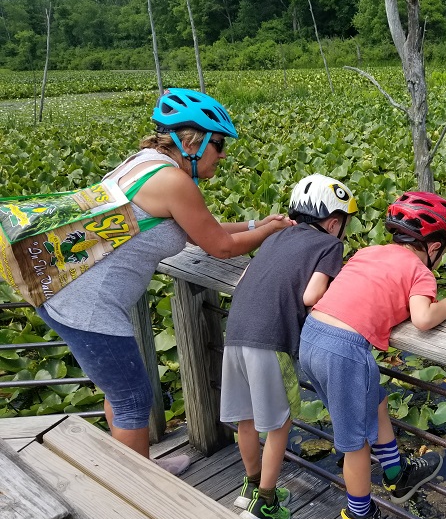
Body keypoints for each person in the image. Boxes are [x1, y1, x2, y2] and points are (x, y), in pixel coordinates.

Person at [35, 88, 292, 475]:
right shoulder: (174, 182)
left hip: (67, 291)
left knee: (121, 393)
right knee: (133, 400)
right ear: (192, 141)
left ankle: (143, 467)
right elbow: (220, 247)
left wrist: (259, 225)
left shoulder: (144, 162)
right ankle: (139, 494)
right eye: (218, 144)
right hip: (89, 306)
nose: (223, 155)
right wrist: (271, 234)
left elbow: (197, 230)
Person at [299, 191, 446, 519]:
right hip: (344, 350)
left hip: (312, 335)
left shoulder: (368, 252)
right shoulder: (420, 271)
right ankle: (357, 518)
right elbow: (422, 319)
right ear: (434, 248)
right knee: (355, 445)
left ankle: (395, 472)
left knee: (374, 398)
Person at [221, 173, 358, 519]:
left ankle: (250, 487)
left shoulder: (276, 236)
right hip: (272, 340)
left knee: (246, 418)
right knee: (279, 424)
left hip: (235, 333)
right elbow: (311, 297)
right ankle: (265, 504)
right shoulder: (330, 246)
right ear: (333, 222)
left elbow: (245, 277)